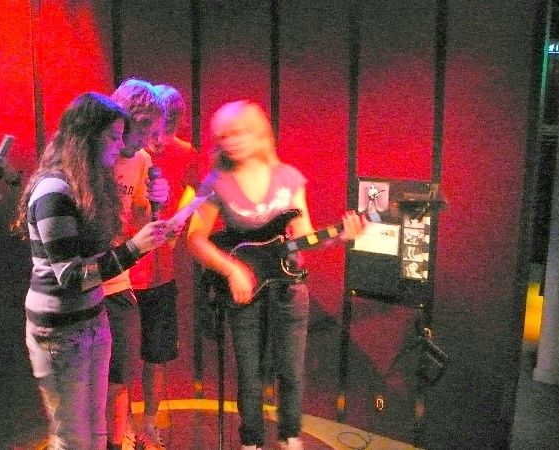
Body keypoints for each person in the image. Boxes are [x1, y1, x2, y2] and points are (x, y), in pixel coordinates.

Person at [186, 100, 366, 450]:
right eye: (223, 137)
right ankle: (251, 441)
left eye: (238, 133)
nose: (231, 142)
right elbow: (195, 239)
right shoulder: (216, 182)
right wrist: (232, 270)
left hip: (289, 285)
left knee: (291, 369)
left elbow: (306, 237)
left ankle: (289, 437)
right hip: (245, 290)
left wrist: (341, 237)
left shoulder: (288, 178)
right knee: (249, 373)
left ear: (259, 133)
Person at [12, 92, 171, 450]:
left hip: (92, 319)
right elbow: (71, 277)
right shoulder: (54, 190)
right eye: (113, 138)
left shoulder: (89, 185)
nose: (119, 146)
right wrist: (135, 248)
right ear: (86, 138)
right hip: (58, 330)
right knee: (72, 438)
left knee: (96, 432)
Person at [129, 84, 200, 449]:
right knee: (121, 356)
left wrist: (179, 220)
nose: (159, 141)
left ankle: (150, 424)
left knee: (156, 355)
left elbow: (196, 190)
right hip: (125, 271)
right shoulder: (128, 152)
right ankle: (123, 425)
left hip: (160, 270)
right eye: (155, 132)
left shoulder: (185, 152)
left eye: (168, 132)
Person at [105, 78, 170, 450]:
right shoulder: (93, 155)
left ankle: (119, 440)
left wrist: (157, 201)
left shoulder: (142, 161)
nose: (149, 140)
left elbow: (140, 219)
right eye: (145, 129)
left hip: (119, 278)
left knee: (120, 373)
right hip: (85, 279)